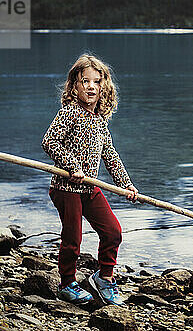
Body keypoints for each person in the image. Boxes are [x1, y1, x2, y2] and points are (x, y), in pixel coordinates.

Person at [42, 54, 138, 306]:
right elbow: (49, 141)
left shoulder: (99, 121)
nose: (91, 86)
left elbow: (111, 156)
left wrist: (126, 184)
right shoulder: (69, 113)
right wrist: (72, 166)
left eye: (96, 81)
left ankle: (104, 278)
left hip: (89, 189)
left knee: (113, 231)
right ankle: (67, 284)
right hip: (66, 188)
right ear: (75, 85)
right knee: (73, 238)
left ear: (104, 86)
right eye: (85, 81)